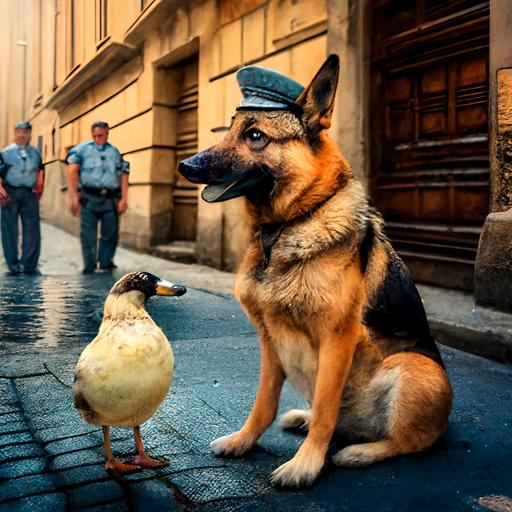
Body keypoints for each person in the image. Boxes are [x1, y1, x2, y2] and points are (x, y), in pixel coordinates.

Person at [67, 121, 129, 274]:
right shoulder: (82, 150)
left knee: (110, 233)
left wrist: (124, 199)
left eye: (100, 135)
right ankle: (90, 266)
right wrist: (74, 196)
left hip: (109, 198)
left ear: (107, 134)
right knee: (88, 234)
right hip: (89, 197)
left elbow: (124, 174)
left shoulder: (115, 152)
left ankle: (105, 263)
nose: (97, 138)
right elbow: (72, 171)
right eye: (94, 136)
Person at [0, 121, 44, 275]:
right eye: (18, 132)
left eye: (25, 132)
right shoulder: (5, 153)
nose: (21, 135)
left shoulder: (36, 153)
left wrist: (39, 186)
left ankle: (29, 264)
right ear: (14, 133)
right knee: (9, 229)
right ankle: (13, 264)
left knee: (32, 229)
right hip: (9, 193)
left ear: (30, 134)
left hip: (29, 193)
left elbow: (40, 170)